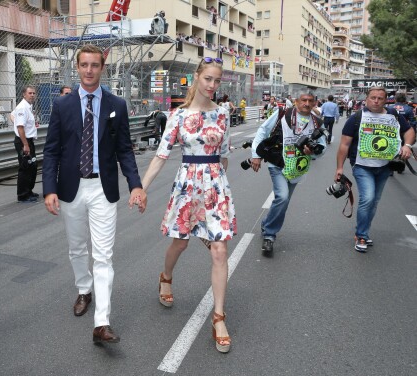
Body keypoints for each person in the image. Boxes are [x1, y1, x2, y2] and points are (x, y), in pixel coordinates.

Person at [42, 44, 147, 344]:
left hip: (103, 188)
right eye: (84, 65)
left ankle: (102, 321)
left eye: (94, 65)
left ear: (102, 67)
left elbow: (125, 150)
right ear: (77, 67)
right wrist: (49, 189)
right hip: (71, 189)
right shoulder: (63, 106)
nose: (89, 70)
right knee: (77, 248)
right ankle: (83, 289)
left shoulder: (117, 104)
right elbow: (51, 151)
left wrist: (135, 185)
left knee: (103, 255)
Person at [140, 57, 236, 353]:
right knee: (179, 244)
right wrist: (140, 190)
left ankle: (218, 317)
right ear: (197, 77)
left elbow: (224, 155)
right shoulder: (178, 116)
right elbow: (160, 156)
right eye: (208, 78)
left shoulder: (223, 114)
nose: (212, 85)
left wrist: (219, 189)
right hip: (187, 185)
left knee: (220, 249)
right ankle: (165, 277)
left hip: (215, 186)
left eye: (217, 80)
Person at [335, 86, 415, 252]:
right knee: (368, 198)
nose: (376, 101)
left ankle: (363, 230)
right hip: (361, 166)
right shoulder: (357, 118)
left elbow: (409, 131)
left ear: (386, 100)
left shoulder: (394, 115)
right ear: (367, 99)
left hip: (385, 166)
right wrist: (340, 168)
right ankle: (362, 235)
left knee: (374, 202)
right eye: (373, 98)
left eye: (380, 98)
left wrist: (407, 145)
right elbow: (344, 144)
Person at [250, 92, 327, 255]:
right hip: (277, 163)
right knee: (282, 197)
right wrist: (256, 155)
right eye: (303, 100)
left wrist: (311, 151)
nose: (306, 103)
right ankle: (269, 235)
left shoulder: (317, 122)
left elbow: (322, 147)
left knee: (282, 202)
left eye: (310, 101)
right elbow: (262, 131)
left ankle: (266, 223)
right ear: (296, 102)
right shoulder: (282, 114)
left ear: (314, 103)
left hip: (297, 166)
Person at [13, 85, 39, 202]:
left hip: (29, 140)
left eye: (34, 93)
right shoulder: (22, 107)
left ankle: (28, 191)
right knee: (25, 167)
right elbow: (20, 128)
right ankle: (22, 195)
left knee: (32, 166)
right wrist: (25, 145)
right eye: (30, 93)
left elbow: (12, 115)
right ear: (24, 94)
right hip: (24, 141)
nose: (32, 95)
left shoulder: (28, 107)